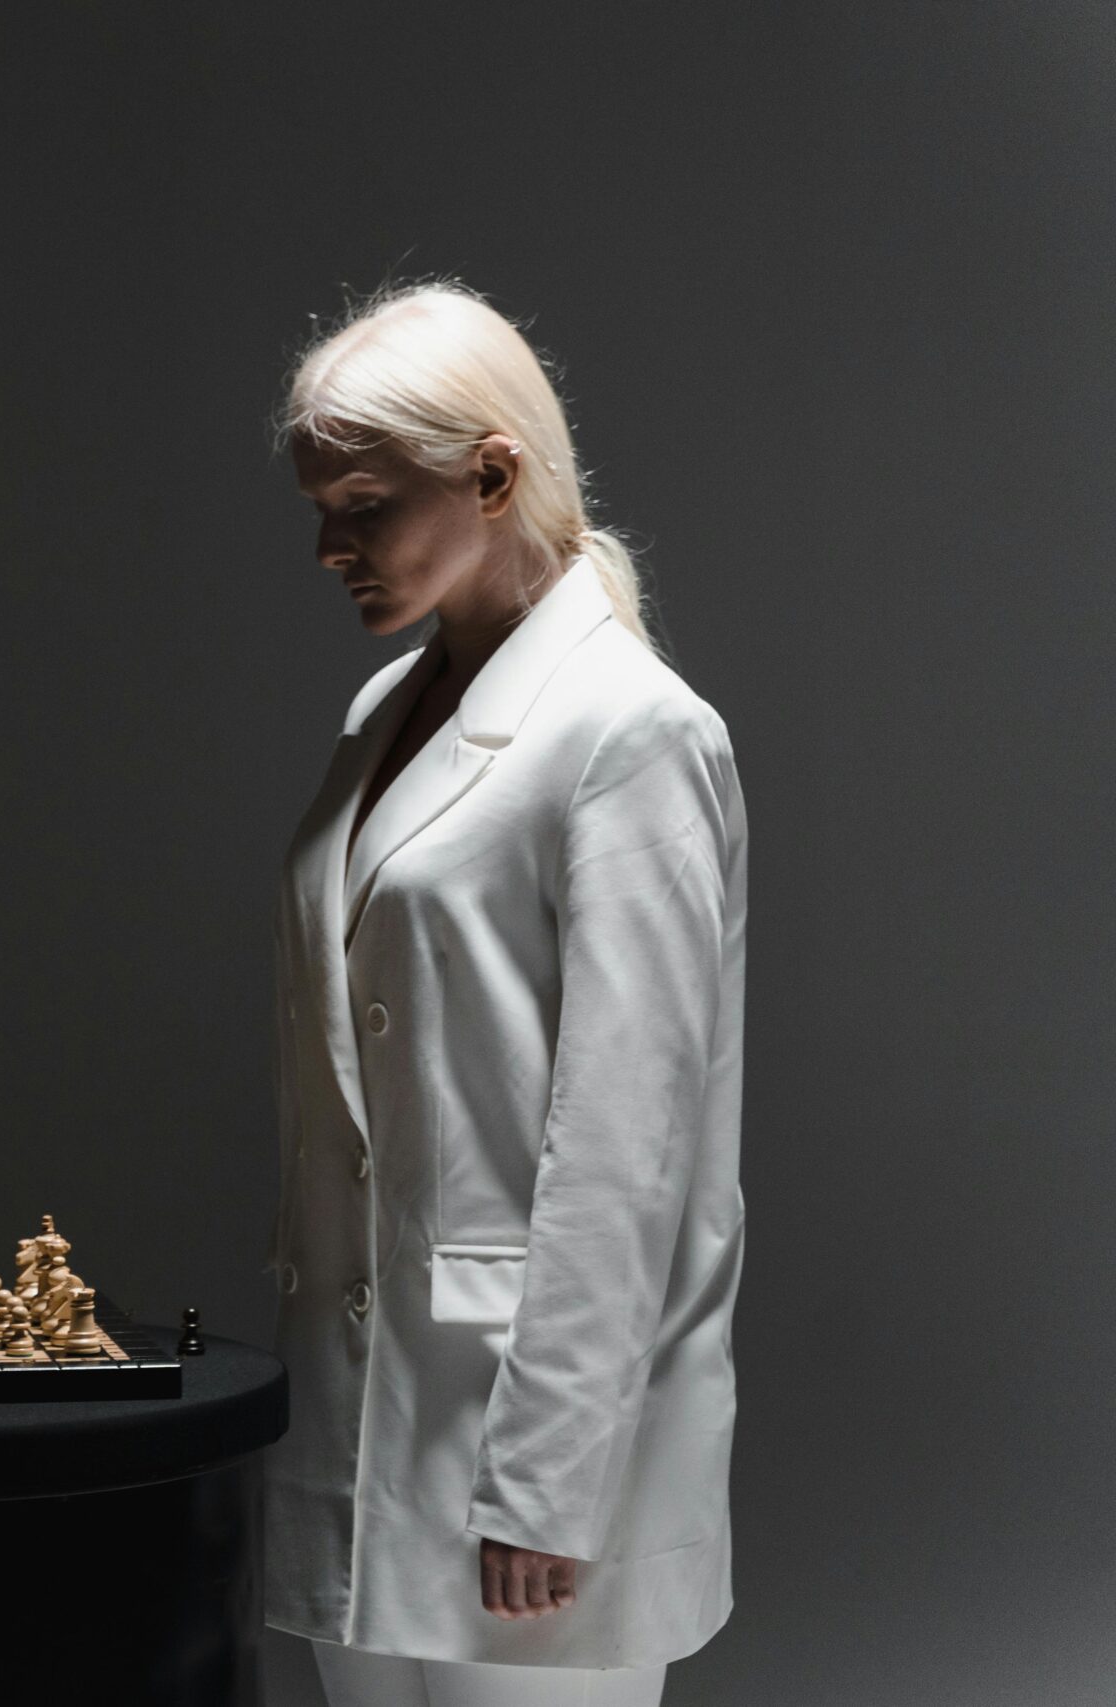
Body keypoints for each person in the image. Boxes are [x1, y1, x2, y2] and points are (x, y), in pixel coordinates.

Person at [260, 283, 745, 1706]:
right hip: (367, 1398)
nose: (328, 546)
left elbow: (629, 1139)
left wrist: (549, 1471)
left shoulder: (633, 731)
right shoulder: (380, 716)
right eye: (320, 509)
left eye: (360, 505)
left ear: (492, 470)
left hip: (528, 1429)